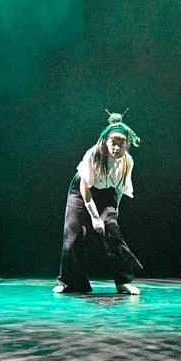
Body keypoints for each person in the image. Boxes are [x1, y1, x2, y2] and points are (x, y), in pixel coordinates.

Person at [55, 111, 145, 296]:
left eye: (121, 142)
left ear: (127, 143)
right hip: (82, 192)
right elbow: (85, 188)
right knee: (73, 234)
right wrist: (95, 218)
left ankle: (123, 282)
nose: (117, 146)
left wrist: (114, 213)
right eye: (113, 141)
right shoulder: (94, 155)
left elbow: (120, 189)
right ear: (105, 140)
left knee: (112, 231)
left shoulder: (128, 161)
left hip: (106, 194)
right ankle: (71, 283)